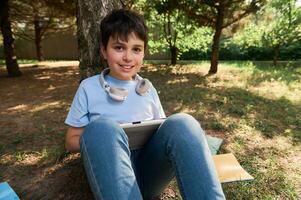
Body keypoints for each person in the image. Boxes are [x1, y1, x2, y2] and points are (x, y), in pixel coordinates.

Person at [65, 9, 225, 200]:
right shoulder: (88, 88)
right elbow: (71, 141)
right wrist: (106, 136)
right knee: (102, 128)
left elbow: (166, 134)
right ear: (103, 50)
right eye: (119, 47)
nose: (128, 57)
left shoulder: (147, 89)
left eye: (136, 49)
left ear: (143, 52)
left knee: (183, 122)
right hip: (112, 178)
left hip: (149, 174)